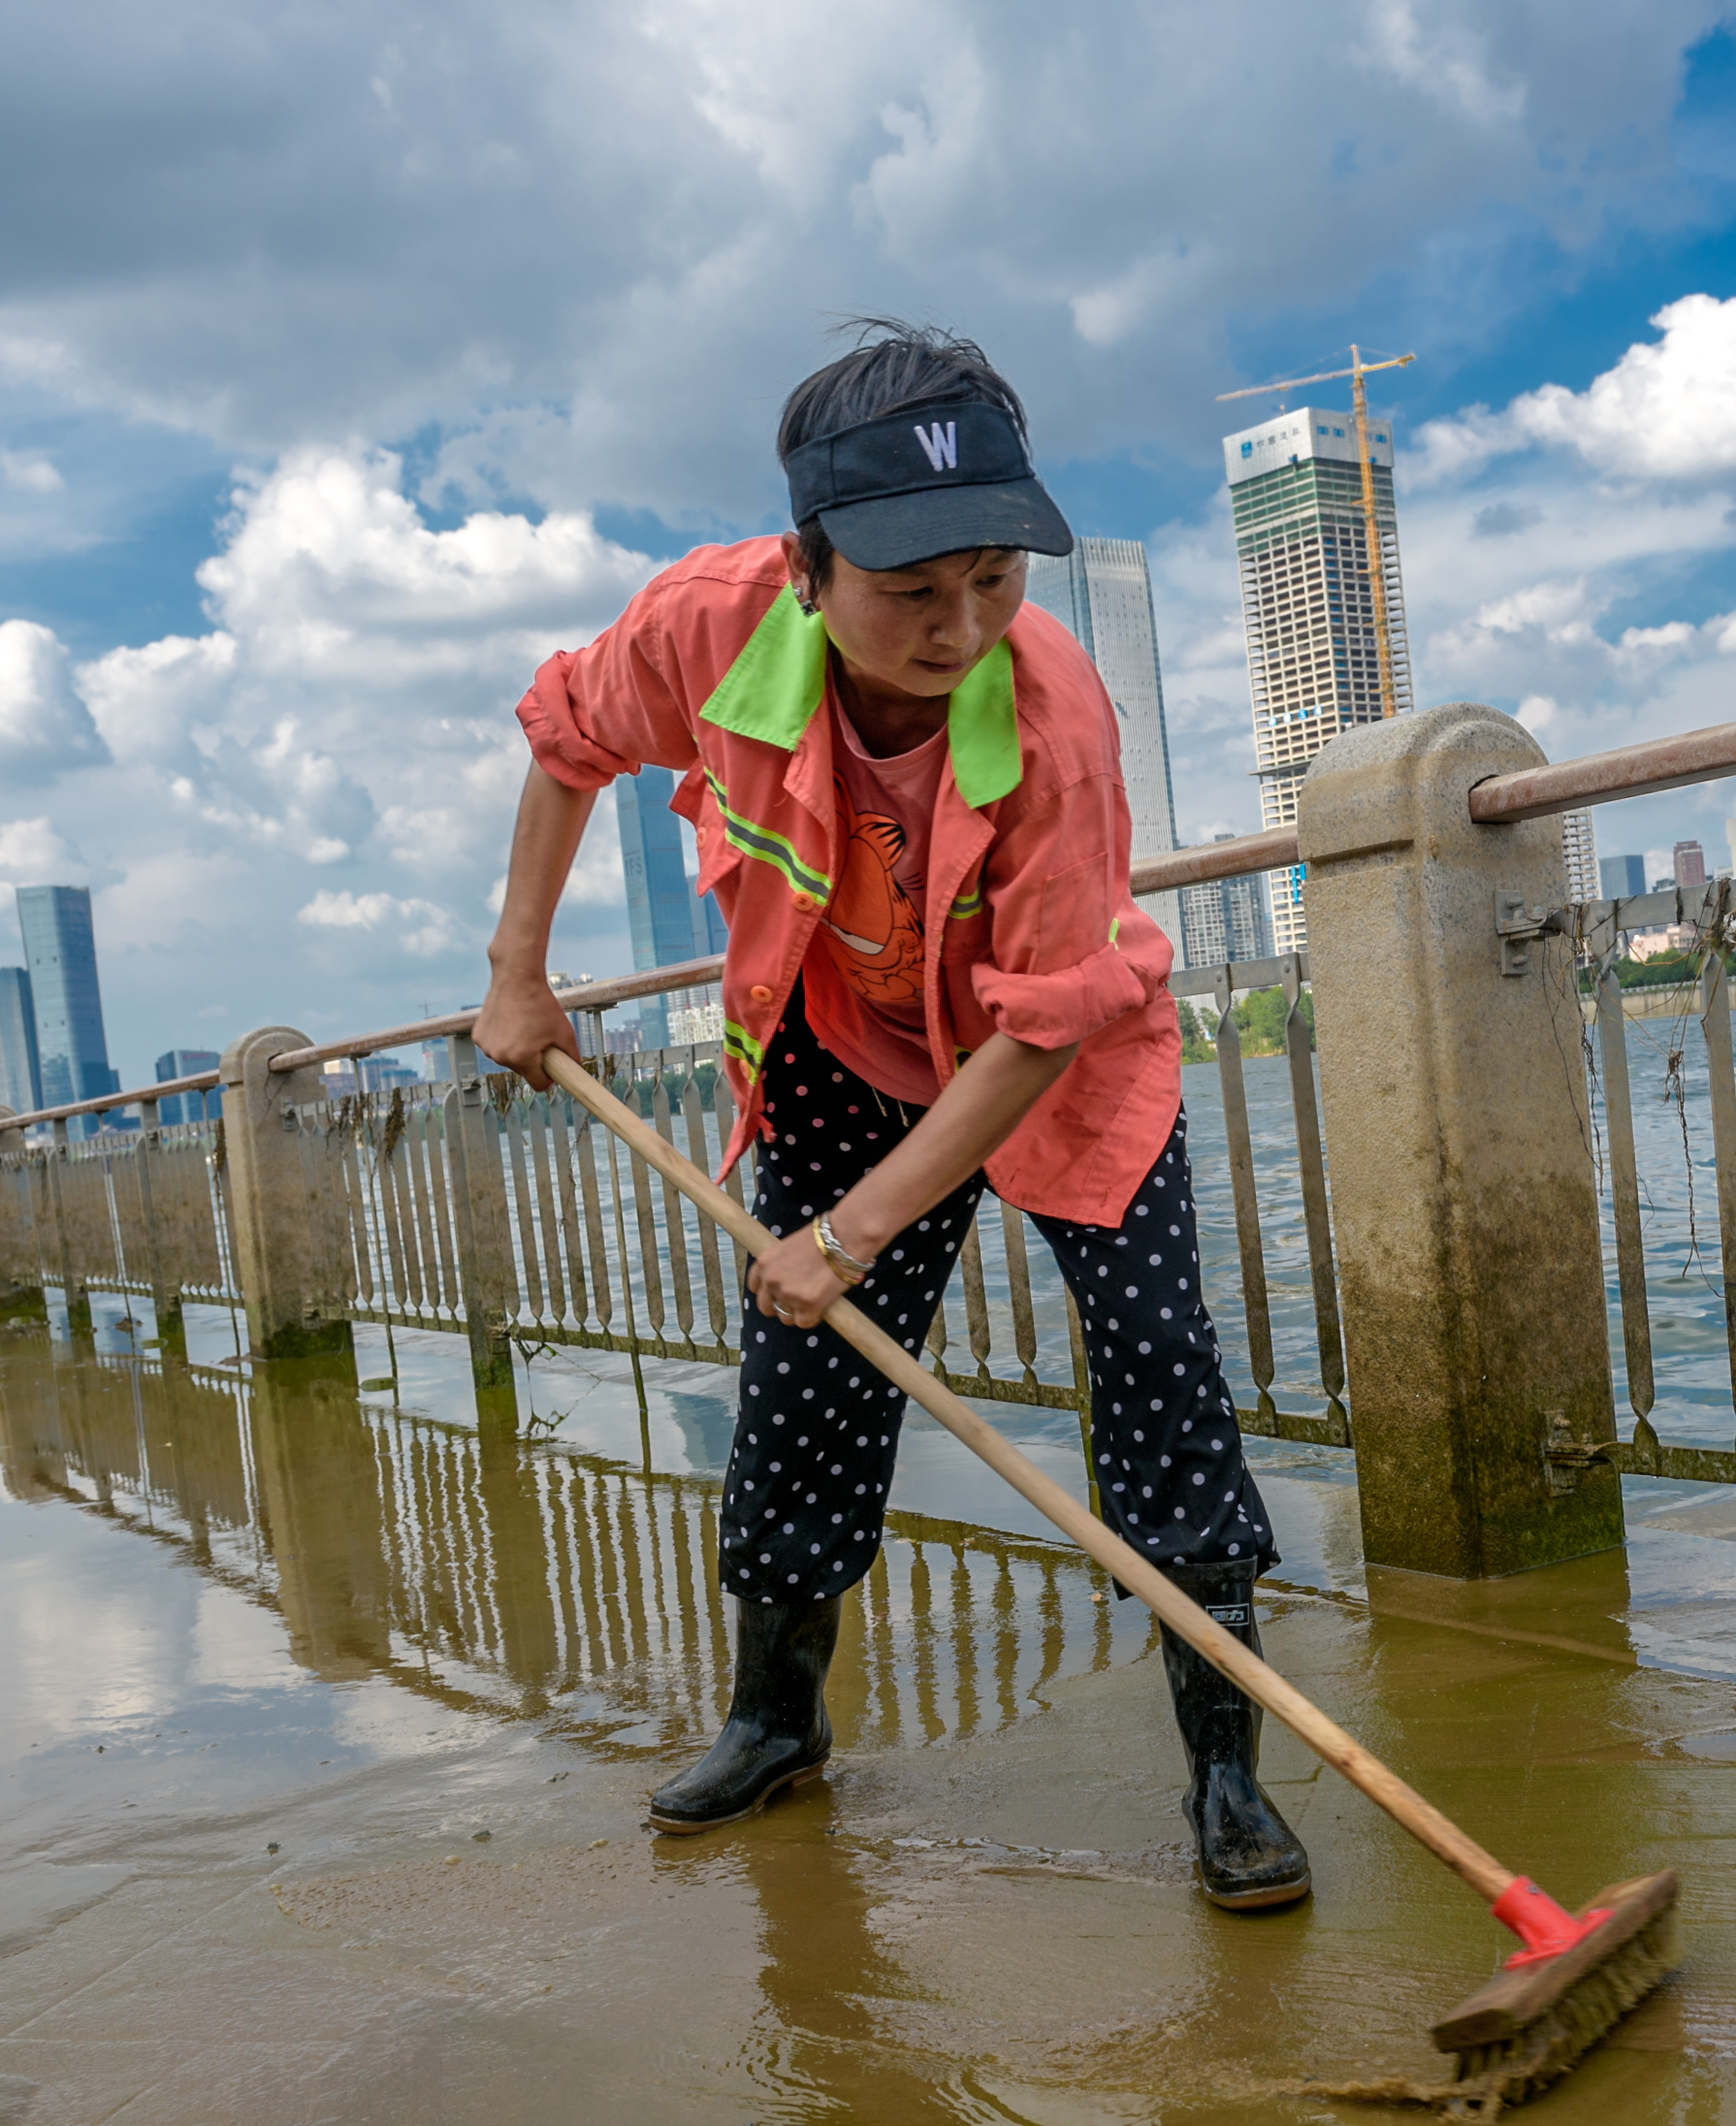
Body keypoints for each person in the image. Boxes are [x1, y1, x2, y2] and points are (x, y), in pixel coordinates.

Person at [475, 321, 1309, 1912]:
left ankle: (1227, 1776)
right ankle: (772, 1722)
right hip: (845, 1047)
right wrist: (517, 972)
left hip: (1055, 1065)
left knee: (1156, 1372)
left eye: (995, 577)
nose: (961, 626)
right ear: (808, 565)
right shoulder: (703, 627)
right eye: (913, 590)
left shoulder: (1053, 718)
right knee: (804, 1386)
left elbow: (1045, 1027)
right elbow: (564, 742)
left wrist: (853, 1234)